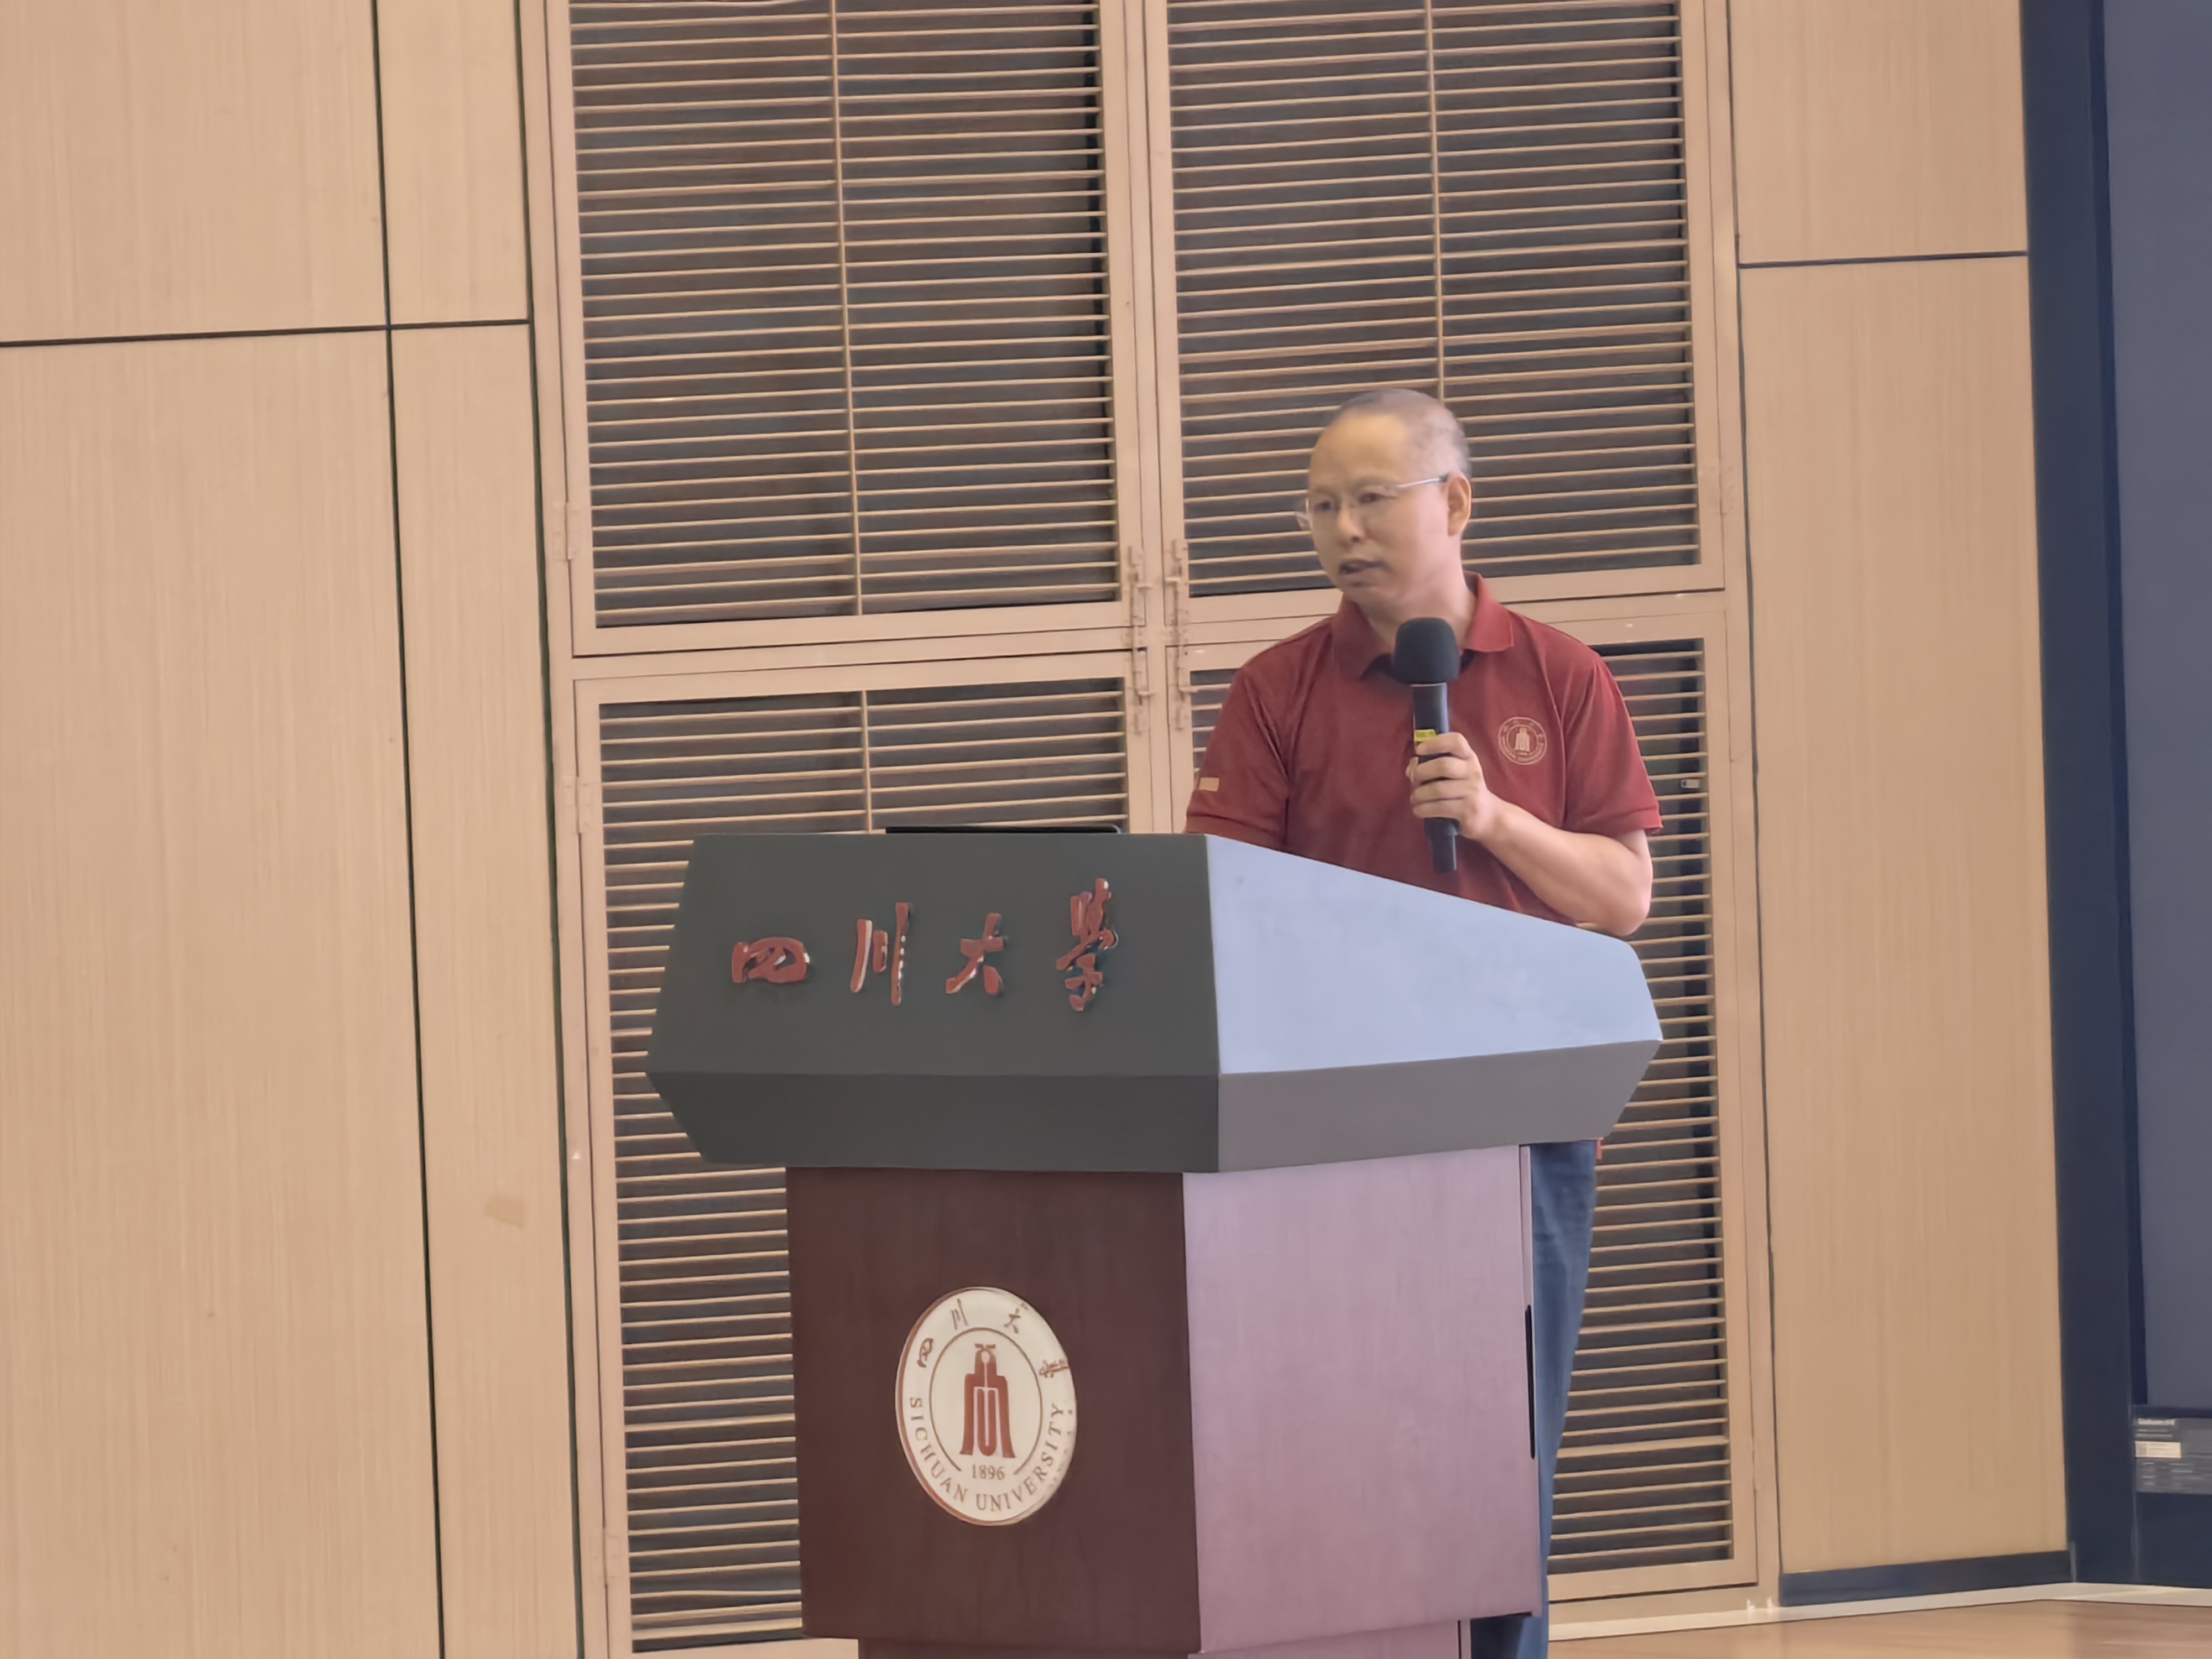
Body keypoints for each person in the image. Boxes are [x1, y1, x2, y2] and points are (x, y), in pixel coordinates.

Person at [1182, 387, 1661, 1658]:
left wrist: (1493, 818)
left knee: (1504, 1455)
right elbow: (1224, 905)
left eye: (1368, 500)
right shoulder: (1277, 689)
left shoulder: (1559, 675)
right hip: (1328, 1133)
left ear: (1452, 504)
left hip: (1523, 1126)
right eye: (1318, 507)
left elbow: (1621, 898)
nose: (1340, 531)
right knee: (1331, 1448)